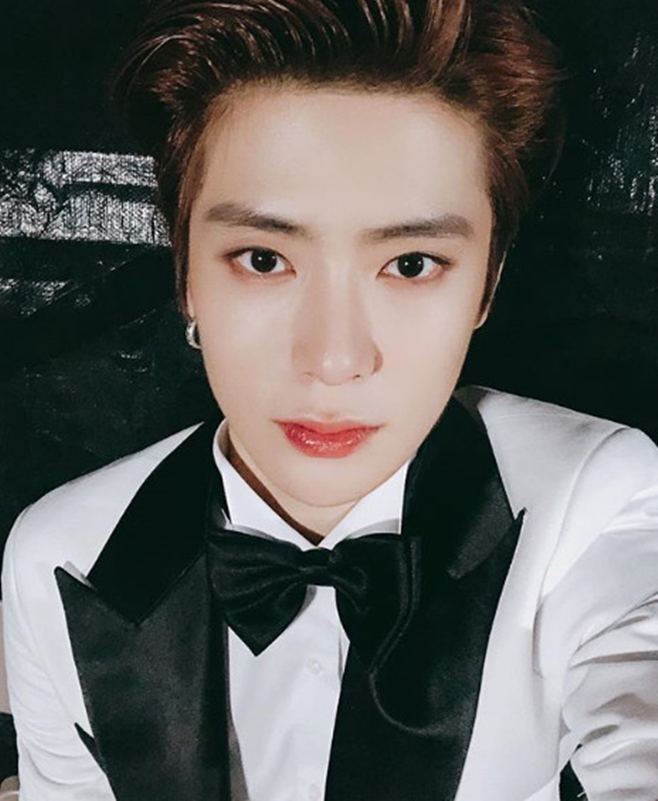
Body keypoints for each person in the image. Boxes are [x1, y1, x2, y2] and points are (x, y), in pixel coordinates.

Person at [3, 0, 658, 799]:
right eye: (263, 258)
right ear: (186, 273)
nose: (334, 360)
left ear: (486, 285)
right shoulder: (58, 552)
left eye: (411, 264)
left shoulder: (599, 502)